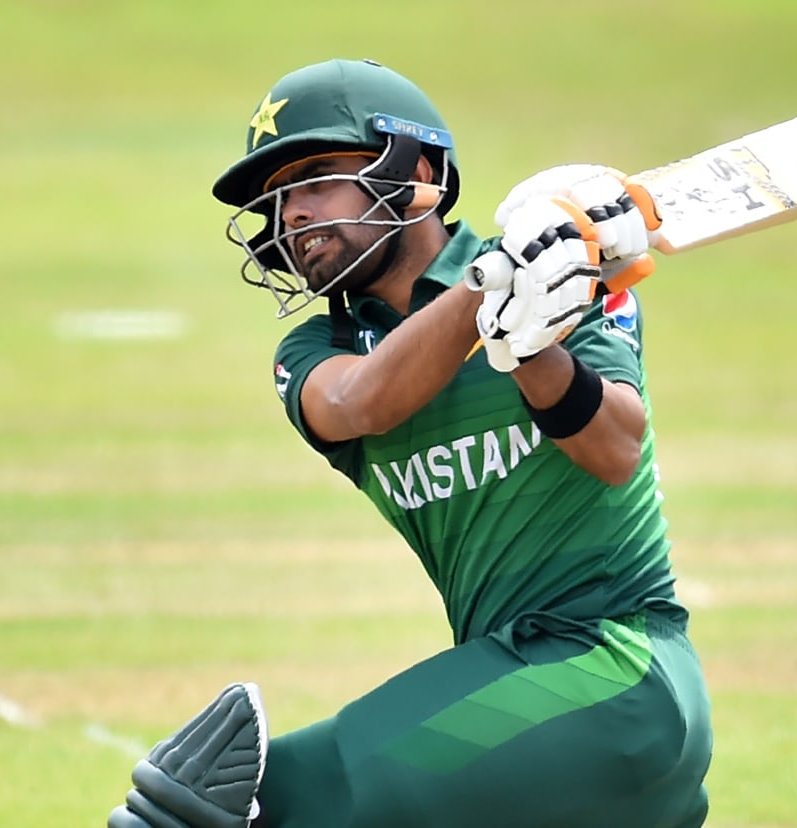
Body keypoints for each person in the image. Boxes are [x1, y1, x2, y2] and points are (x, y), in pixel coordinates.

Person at [108, 58, 713, 828]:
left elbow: (615, 450)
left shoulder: (559, 283)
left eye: (318, 178)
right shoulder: (315, 351)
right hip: (523, 703)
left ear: (417, 173)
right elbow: (363, 402)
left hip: (612, 669)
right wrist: (489, 292)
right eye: (280, 197)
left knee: (223, 811)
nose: (292, 214)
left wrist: (529, 343)